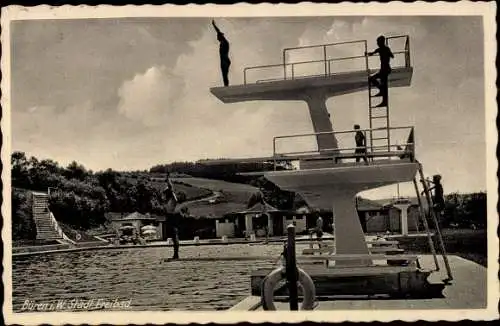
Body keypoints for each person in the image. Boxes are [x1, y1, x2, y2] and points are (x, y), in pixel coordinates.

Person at [366, 35, 394, 107]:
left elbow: (391, 56)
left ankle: (384, 99)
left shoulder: (383, 49)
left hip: (385, 70)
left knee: (375, 80)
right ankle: (382, 93)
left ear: (381, 42)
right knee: (374, 80)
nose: (377, 43)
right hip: (384, 70)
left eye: (378, 42)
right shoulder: (382, 49)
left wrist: (386, 54)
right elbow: (392, 56)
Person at [212, 20, 231, 87]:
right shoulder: (224, 41)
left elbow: (218, 31)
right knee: (224, 75)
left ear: (220, 36)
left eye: (217, 37)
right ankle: (226, 85)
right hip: (225, 60)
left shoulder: (224, 42)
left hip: (224, 60)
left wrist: (214, 25)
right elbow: (218, 32)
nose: (217, 39)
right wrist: (214, 25)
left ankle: (226, 86)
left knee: (224, 74)